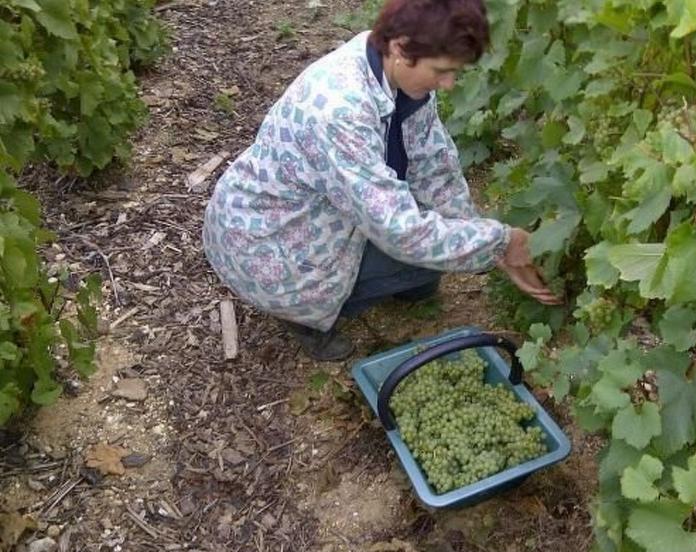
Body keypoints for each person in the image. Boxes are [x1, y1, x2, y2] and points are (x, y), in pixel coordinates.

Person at [202, 0, 560, 362]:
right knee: (419, 256)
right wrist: (500, 242)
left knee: (427, 268)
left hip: (316, 218)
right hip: (268, 246)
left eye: (455, 72)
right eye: (442, 71)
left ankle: (375, 284)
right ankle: (302, 316)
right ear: (399, 48)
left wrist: (482, 237)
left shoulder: (394, 71)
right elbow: (399, 232)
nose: (449, 84)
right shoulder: (339, 109)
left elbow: (434, 165)